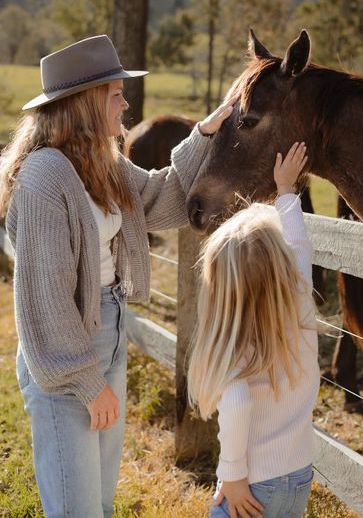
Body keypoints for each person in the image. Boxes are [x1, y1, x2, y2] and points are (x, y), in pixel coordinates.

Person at [0, 34, 234, 518]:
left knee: (100, 504)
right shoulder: (44, 178)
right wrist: (87, 383)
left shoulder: (100, 163)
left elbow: (161, 199)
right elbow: (45, 299)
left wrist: (206, 132)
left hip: (107, 332)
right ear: (85, 103)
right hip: (65, 357)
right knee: (75, 509)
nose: (126, 103)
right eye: (115, 93)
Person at [187, 142, 321, 518]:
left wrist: (231, 475)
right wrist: (286, 191)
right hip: (297, 474)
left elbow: (238, 403)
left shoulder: (237, 340)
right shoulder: (300, 303)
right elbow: (298, 245)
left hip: (252, 485)